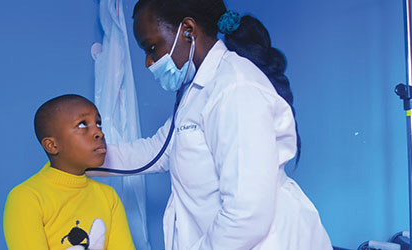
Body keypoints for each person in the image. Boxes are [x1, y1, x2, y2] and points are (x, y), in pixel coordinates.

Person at [87, 0, 333, 249]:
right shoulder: (196, 90)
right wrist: (82, 159)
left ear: (188, 30)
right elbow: (156, 151)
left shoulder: (235, 88)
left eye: (152, 47)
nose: (149, 62)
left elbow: (247, 214)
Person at [3, 94, 136, 250]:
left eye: (98, 123)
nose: (99, 133)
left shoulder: (108, 197)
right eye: (82, 125)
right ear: (52, 145)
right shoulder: (27, 197)